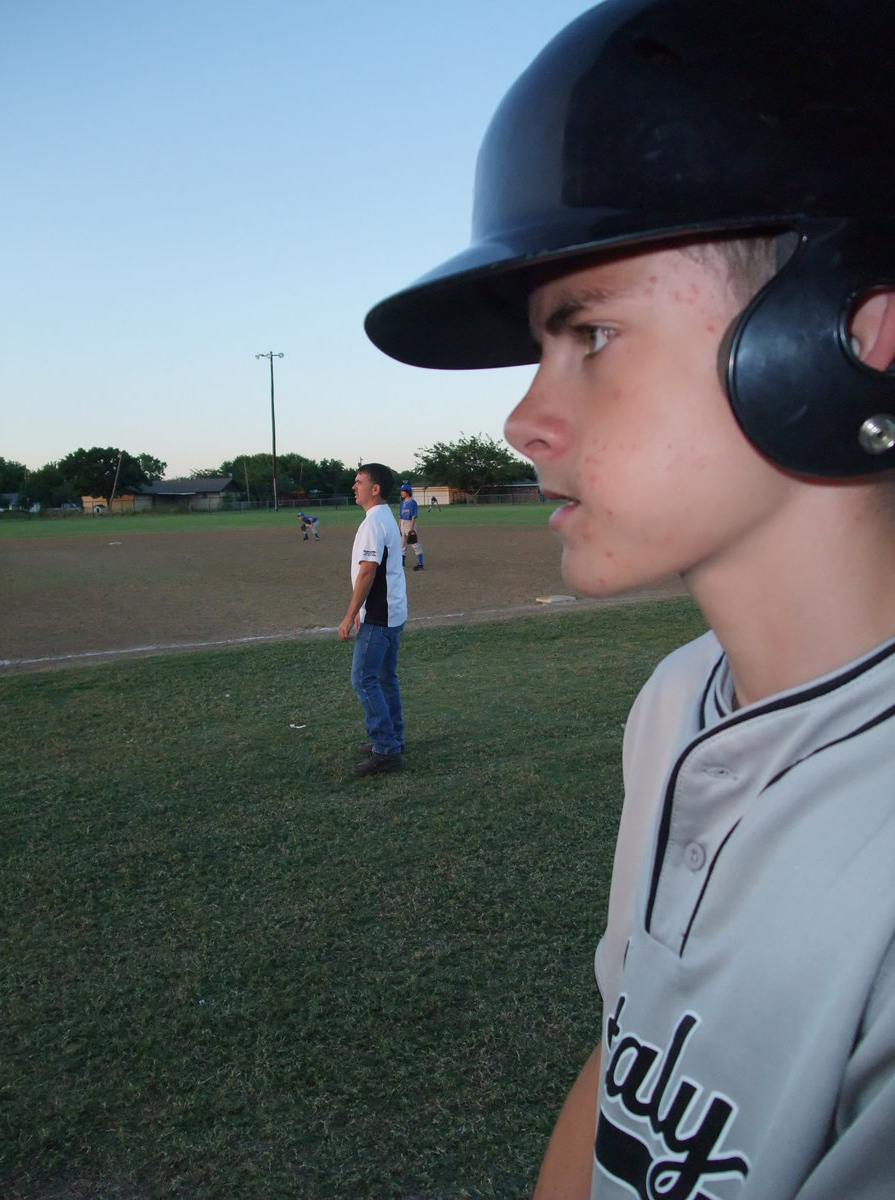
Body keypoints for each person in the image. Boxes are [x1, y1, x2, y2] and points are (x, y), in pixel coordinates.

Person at [363, 1, 895, 1195]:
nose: (522, 421)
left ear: (855, 333)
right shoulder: (675, 707)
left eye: (591, 335)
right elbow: (625, 1068)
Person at [338, 463, 407, 777]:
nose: (354, 487)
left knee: (363, 679)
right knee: (384, 679)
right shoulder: (384, 518)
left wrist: (351, 615)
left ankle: (386, 749)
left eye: (358, 482)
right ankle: (394, 738)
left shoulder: (373, 522)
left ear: (375, 488)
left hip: (379, 617)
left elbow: (368, 571)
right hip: (391, 613)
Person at [398, 482, 424, 570]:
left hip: (410, 524)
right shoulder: (402, 503)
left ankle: (420, 564)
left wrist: (411, 529)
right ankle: (402, 563)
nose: (401, 492)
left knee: (415, 544)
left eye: (402, 491)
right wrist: (399, 527)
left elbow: (413, 516)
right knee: (402, 544)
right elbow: (400, 517)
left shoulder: (412, 502)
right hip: (403, 524)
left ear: (407, 492)